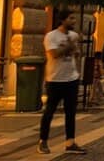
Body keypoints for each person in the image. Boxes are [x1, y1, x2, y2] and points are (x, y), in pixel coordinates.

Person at [38, 9, 86, 155]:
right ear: (63, 20)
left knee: (70, 112)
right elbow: (53, 54)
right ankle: (43, 141)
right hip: (55, 79)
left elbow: (77, 54)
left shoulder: (73, 35)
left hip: (71, 78)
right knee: (49, 112)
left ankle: (70, 142)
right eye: (71, 18)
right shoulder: (51, 36)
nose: (74, 21)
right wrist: (69, 46)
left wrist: (76, 51)